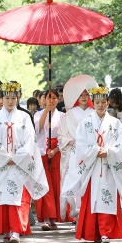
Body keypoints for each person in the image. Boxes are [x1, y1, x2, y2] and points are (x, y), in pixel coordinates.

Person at [0, 82, 48, 243]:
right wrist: (6, 158)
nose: (10, 101)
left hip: (19, 164)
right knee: (1, 197)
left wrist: (17, 157)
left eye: (13, 98)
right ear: (1, 99)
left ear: (18, 98)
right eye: (7, 98)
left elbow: (29, 141)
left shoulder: (24, 117)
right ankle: (6, 229)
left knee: (17, 198)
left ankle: (16, 230)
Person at [62, 86, 122, 243]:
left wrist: (109, 151)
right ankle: (93, 233)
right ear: (94, 103)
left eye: (103, 102)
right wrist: (94, 151)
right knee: (93, 198)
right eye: (97, 102)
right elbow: (80, 145)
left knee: (108, 197)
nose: (100, 105)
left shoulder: (116, 124)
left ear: (108, 103)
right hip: (92, 168)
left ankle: (106, 233)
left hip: (109, 166)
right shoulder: (85, 124)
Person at [34, 89, 74, 230]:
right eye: (48, 98)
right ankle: (46, 217)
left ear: (58, 100)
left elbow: (65, 134)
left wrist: (56, 149)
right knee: (45, 185)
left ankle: (56, 215)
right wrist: (46, 111)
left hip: (58, 151)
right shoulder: (38, 114)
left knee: (58, 183)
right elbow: (38, 129)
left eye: (54, 98)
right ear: (44, 99)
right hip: (42, 151)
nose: (51, 100)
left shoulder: (63, 116)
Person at [58, 74, 97, 220]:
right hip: (73, 153)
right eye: (81, 94)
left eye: (87, 94)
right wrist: (70, 141)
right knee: (74, 182)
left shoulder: (95, 114)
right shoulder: (69, 115)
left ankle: (87, 213)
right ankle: (76, 210)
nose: (84, 97)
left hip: (90, 153)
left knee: (88, 183)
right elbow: (61, 135)